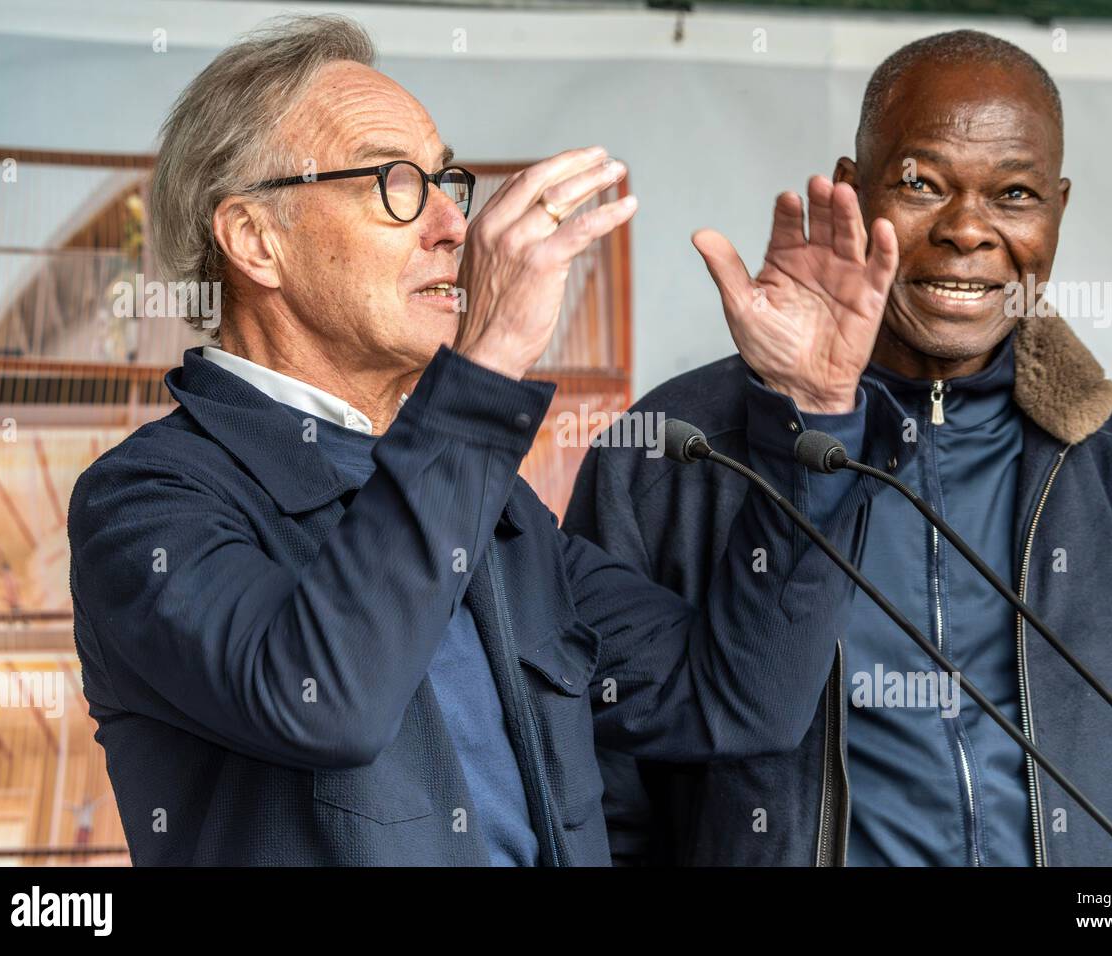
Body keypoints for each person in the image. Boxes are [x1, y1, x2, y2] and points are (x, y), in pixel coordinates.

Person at [66, 14, 899, 866]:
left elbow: (740, 697)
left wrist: (810, 411)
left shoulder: (491, 505)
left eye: (444, 181)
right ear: (255, 240)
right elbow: (328, 699)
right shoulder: (147, 502)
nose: (451, 225)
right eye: (394, 182)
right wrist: (487, 363)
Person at [565, 29, 1112, 867]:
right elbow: (593, 797)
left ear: (1059, 210)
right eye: (922, 183)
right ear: (853, 193)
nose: (968, 230)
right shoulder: (675, 452)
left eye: (1014, 194)